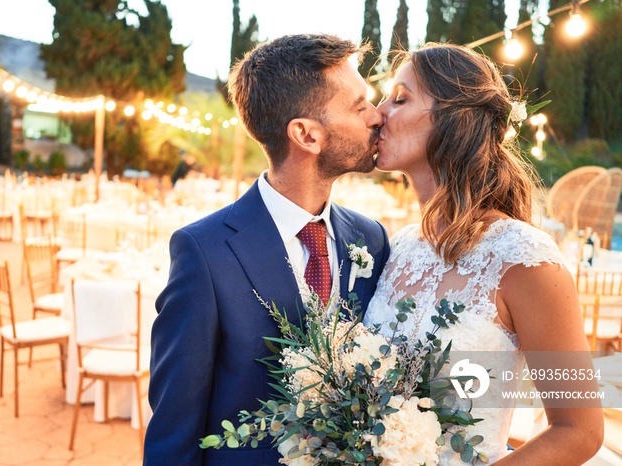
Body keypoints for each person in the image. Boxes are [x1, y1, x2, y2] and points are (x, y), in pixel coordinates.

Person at [143, 34, 391, 466]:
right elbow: (173, 432)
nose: (377, 116)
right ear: (306, 135)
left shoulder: (371, 238)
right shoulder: (204, 252)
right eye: (359, 105)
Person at [363, 43, 604, 465]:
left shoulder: (524, 258)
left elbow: (579, 431)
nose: (378, 112)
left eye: (399, 98)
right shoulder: (398, 246)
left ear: (454, 120)